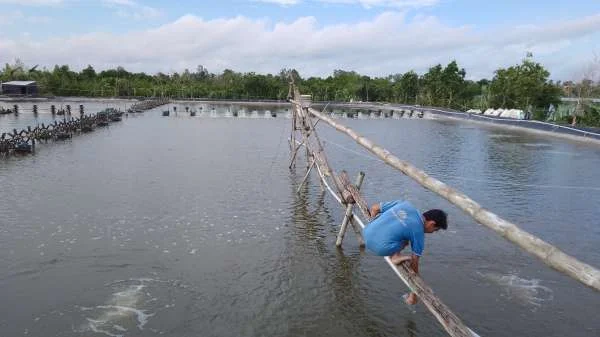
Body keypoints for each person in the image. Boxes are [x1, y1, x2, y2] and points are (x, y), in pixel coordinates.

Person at [363, 200, 448, 305]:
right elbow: (414, 264)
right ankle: (395, 256)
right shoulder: (418, 232)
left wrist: (376, 228)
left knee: (398, 230)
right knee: (405, 241)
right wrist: (414, 295)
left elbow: (375, 208)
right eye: (435, 230)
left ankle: (388, 245)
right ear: (432, 223)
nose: (432, 233)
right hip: (379, 248)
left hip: (366, 231)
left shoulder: (405, 204)